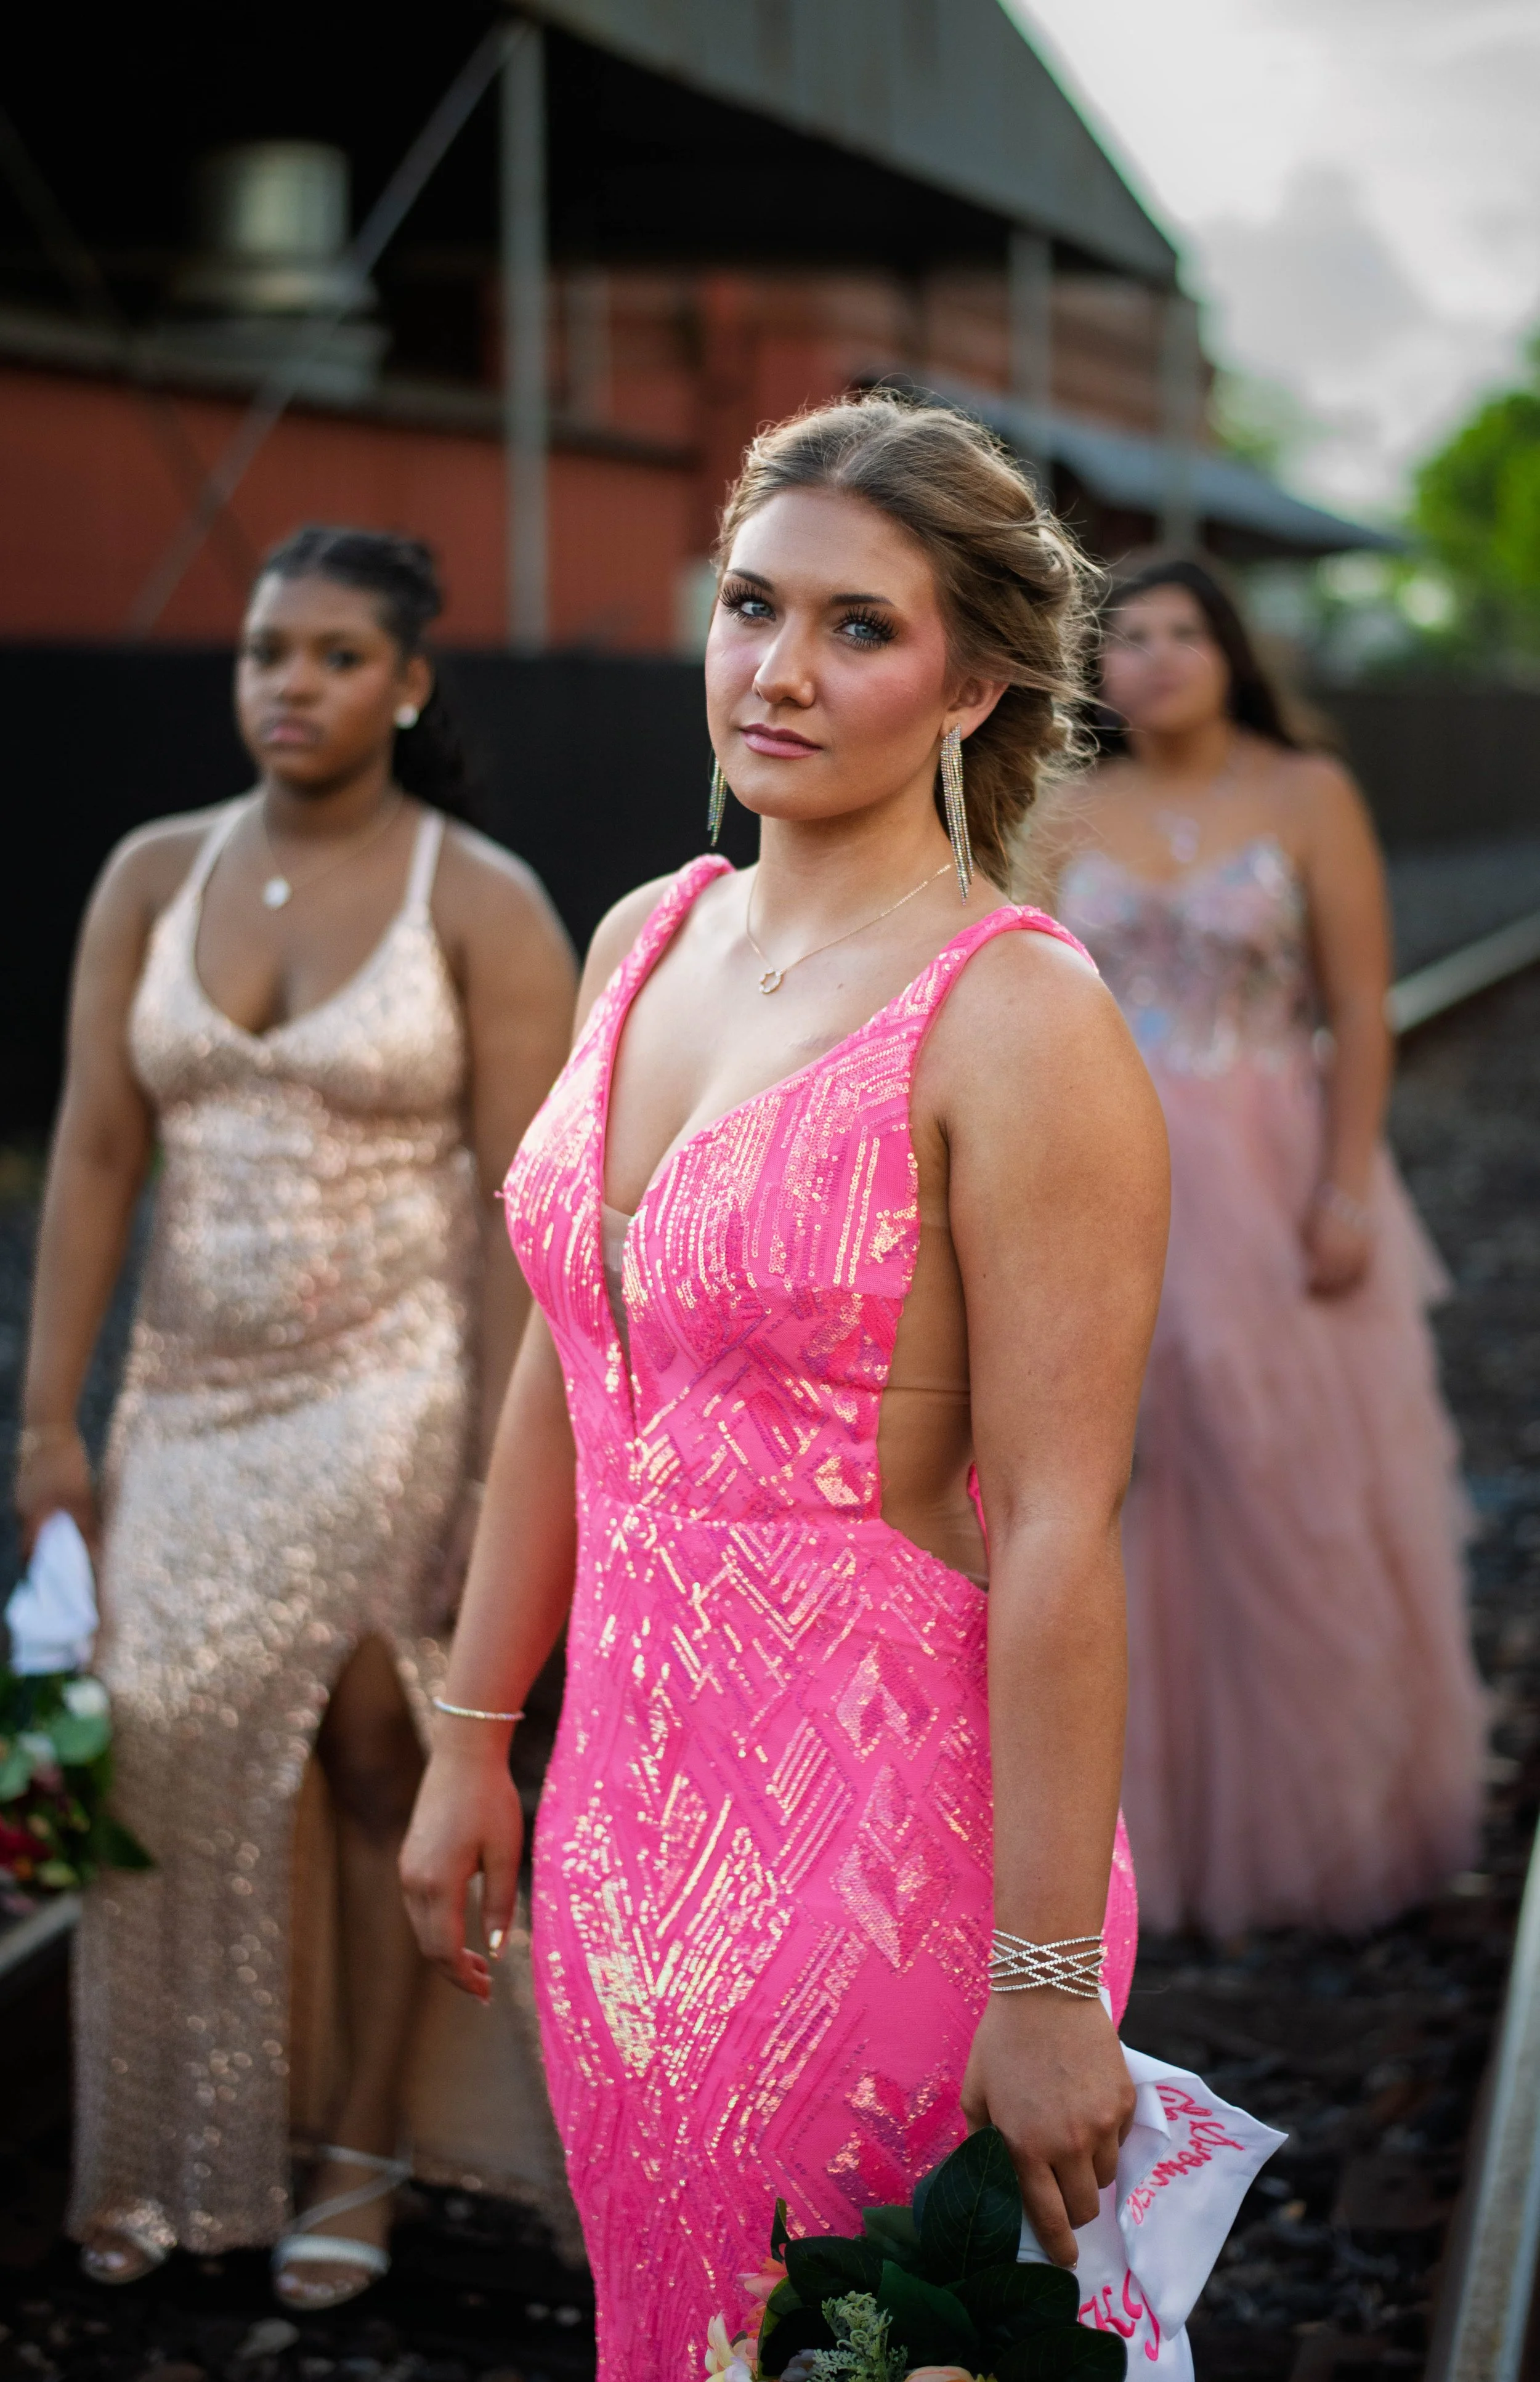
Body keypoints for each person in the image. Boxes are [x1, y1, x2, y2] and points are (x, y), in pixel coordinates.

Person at [399, 396, 1169, 2378]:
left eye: (856, 627)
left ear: (973, 681)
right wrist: (472, 1734)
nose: (778, 670)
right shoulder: (641, 937)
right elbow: (563, 1375)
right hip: (617, 1826)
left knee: (834, 2330)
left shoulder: (1015, 1013)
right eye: (752, 606)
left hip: (884, 1838)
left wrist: (1046, 1977)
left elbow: (1069, 1519)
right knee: (668, 2319)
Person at [17, 527, 578, 2302]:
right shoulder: (150, 875)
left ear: (407, 685)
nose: (291, 683)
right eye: (268, 650)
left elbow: (528, 1208)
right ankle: (181, 2149)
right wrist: (48, 1423)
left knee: (366, 1751)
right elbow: (101, 1151)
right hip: (187, 1396)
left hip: (398, 1387)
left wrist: (501, 1474)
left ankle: (360, 2151)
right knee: (164, 1734)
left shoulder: (478, 897)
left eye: (338, 655)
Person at [1053, 554, 1486, 1940]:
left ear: (1229, 651)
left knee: (1279, 1481)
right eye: (1124, 637)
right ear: (1095, 669)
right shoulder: (1060, 807)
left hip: (1265, 1159)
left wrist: (1343, 1190)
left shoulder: (1306, 795)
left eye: (1183, 631)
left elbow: (1359, 1010)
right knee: (1127, 1486)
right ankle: (1139, 1840)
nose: (1156, 657)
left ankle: (1318, 1819)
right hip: (1100, 1169)